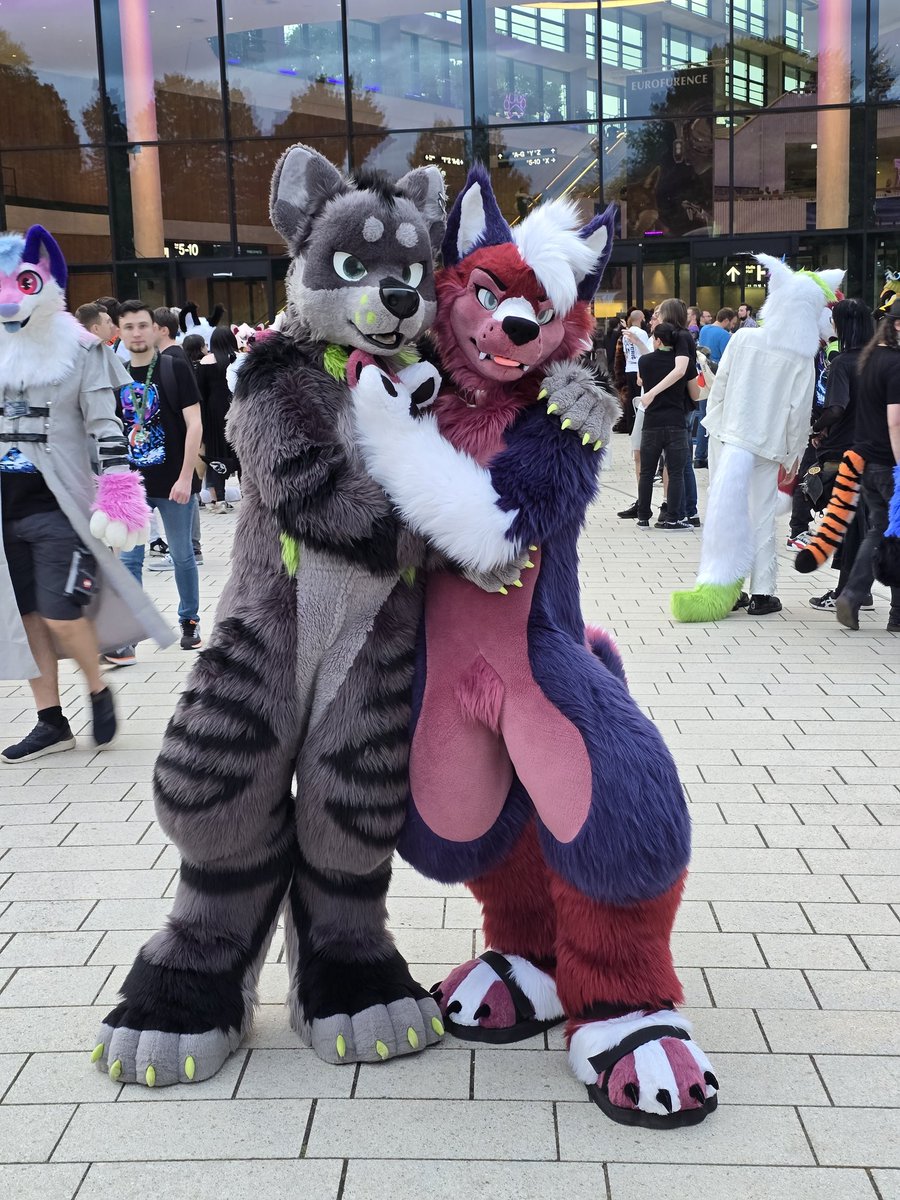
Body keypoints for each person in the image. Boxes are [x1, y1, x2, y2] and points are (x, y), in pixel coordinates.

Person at [0, 224, 170, 762]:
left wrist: (118, 493)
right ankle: (50, 719)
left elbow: (105, 426)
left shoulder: (81, 351)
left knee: (58, 613)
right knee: (24, 616)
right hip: (6, 506)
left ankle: (96, 687)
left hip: (60, 506)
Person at [672, 255, 844, 622]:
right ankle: (762, 593)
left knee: (725, 509)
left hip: (727, 436)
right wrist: (794, 455)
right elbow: (799, 414)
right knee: (762, 516)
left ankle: (725, 583)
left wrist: (714, 424)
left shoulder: (745, 338)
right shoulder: (801, 358)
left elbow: (720, 388)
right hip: (768, 445)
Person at [116, 300, 204, 650]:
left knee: (182, 554)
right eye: (129, 327)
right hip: (131, 487)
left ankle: (189, 620)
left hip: (173, 482)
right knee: (128, 559)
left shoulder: (174, 367)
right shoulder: (116, 375)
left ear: (155, 329)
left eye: (142, 325)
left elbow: (194, 424)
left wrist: (185, 478)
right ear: (120, 333)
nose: (137, 333)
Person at [804, 299, 875, 611]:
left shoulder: (843, 364)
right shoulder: (880, 359)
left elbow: (836, 408)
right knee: (863, 521)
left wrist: (816, 429)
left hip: (846, 451)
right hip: (878, 451)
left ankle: (847, 591)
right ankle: (862, 590)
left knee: (846, 522)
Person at [834, 305, 900, 632]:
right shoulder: (896, 364)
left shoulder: (871, 359)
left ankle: (861, 597)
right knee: (889, 531)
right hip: (890, 465)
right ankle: (872, 602)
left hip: (868, 461)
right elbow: (895, 421)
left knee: (883, 531)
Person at [634, 322, 693, 529]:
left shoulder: (645, 361)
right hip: (676, 421)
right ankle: (673, 518)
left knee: (647, 472)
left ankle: (642, 517)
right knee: (675, 472)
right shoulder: (681, 364)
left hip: (651, 422)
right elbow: (693, 391)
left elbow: (640, 382)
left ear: (657, 340)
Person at [197, 327, 240, 513]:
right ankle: (249, 495)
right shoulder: (241, 359)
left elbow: (200, 392)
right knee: (241, 452)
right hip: (238, 407)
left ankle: (219, 500)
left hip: (214, 411)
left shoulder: (206, 361)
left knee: (215, 452)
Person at [695, 309, 734, 467]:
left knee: (704, 416)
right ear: (726, 320)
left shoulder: (705, 329)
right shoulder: (724, 335)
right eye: (732, 322)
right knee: (717, 418)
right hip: (718, 379)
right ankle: (712, 456)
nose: (732, 325)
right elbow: (728, 357)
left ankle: (699, 456)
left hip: (705, 377)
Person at [616, 310, 651, 434]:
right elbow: (646, 351)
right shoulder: (641, 333)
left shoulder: (626, 333)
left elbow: (625, 353)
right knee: (639, 398)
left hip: (629, 367)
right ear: (641, 319)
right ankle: (638, 426)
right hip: (638, 368)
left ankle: (631, 426)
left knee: (631, 398)